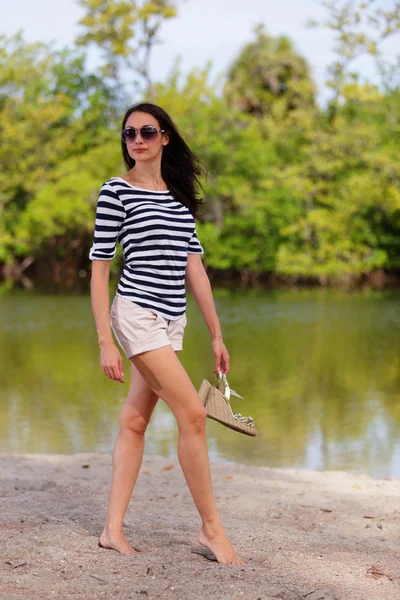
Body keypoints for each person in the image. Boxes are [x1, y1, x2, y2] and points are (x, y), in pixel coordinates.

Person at [89, 102, 243, 565]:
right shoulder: (116, 192)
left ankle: (110, 530)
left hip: (172, 321)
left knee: (135, 421)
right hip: (135, 314)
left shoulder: (178, 198)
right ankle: (211, 530)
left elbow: (194, 268)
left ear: (164, 138)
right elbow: (99, 270)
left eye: (147, 131)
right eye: (130, 132)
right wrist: (105, 340)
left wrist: (216, 334)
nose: (137, 139)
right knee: (194, 414)